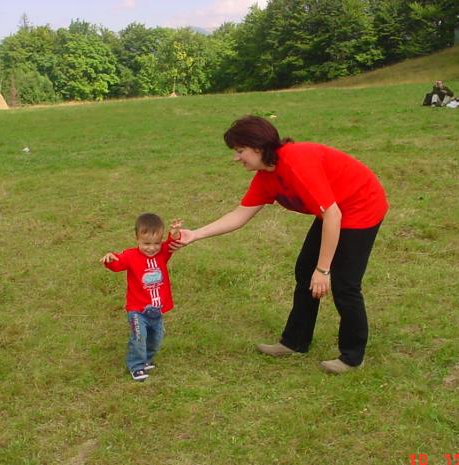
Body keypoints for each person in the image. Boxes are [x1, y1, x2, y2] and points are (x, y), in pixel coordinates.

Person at [172, 116, 388, 374]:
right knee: (303, 271)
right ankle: (295, 342)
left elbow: (333, 215)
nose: (236, 158)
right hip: (334, 210)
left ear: (258, 147)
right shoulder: (266, 176)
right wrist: (195, 234)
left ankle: (353, 357)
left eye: (240, 151)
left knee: (345, 284)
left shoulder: (296, 162)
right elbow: (240, 215)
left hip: (361, 205)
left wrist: (323, 270)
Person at [100, 213, 181, 381]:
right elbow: (117, 263)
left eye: (156, 243)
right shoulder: (130, 256)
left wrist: (174, 234)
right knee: (139, 336)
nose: (151, 248)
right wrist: (109, 259)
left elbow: (172, 244)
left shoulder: (162, 253)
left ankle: (147, 359)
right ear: (136, 238)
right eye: (146, 243)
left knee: (156, 337)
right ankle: (136, 365)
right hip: (138, 309)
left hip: (157, 308)